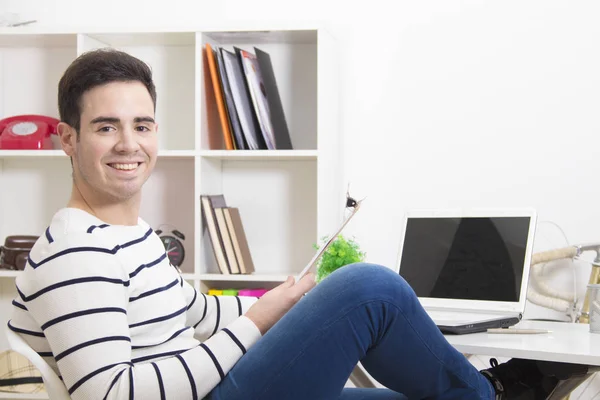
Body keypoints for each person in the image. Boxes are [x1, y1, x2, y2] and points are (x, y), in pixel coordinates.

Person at [7, 48, 561, 400]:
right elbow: (108, 394)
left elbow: (194, 311)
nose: (130, 144)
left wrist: (287, 301)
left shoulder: (131, 237)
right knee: (369, 288)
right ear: (68, 139)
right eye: (106, 127)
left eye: (143, 125)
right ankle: (495, 393)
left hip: (214, 384)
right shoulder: (76, 252)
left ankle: (486, 393)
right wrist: (255, 326)